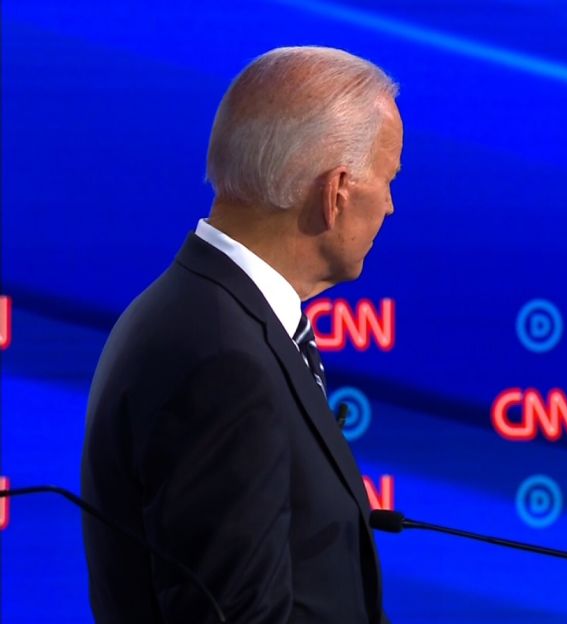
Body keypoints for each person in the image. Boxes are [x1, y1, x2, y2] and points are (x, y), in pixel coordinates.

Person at [81, 46, 401, 623]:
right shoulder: (221, 357)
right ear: (336, 192)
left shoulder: (203, 315)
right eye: (387, 180)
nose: (391, 206)